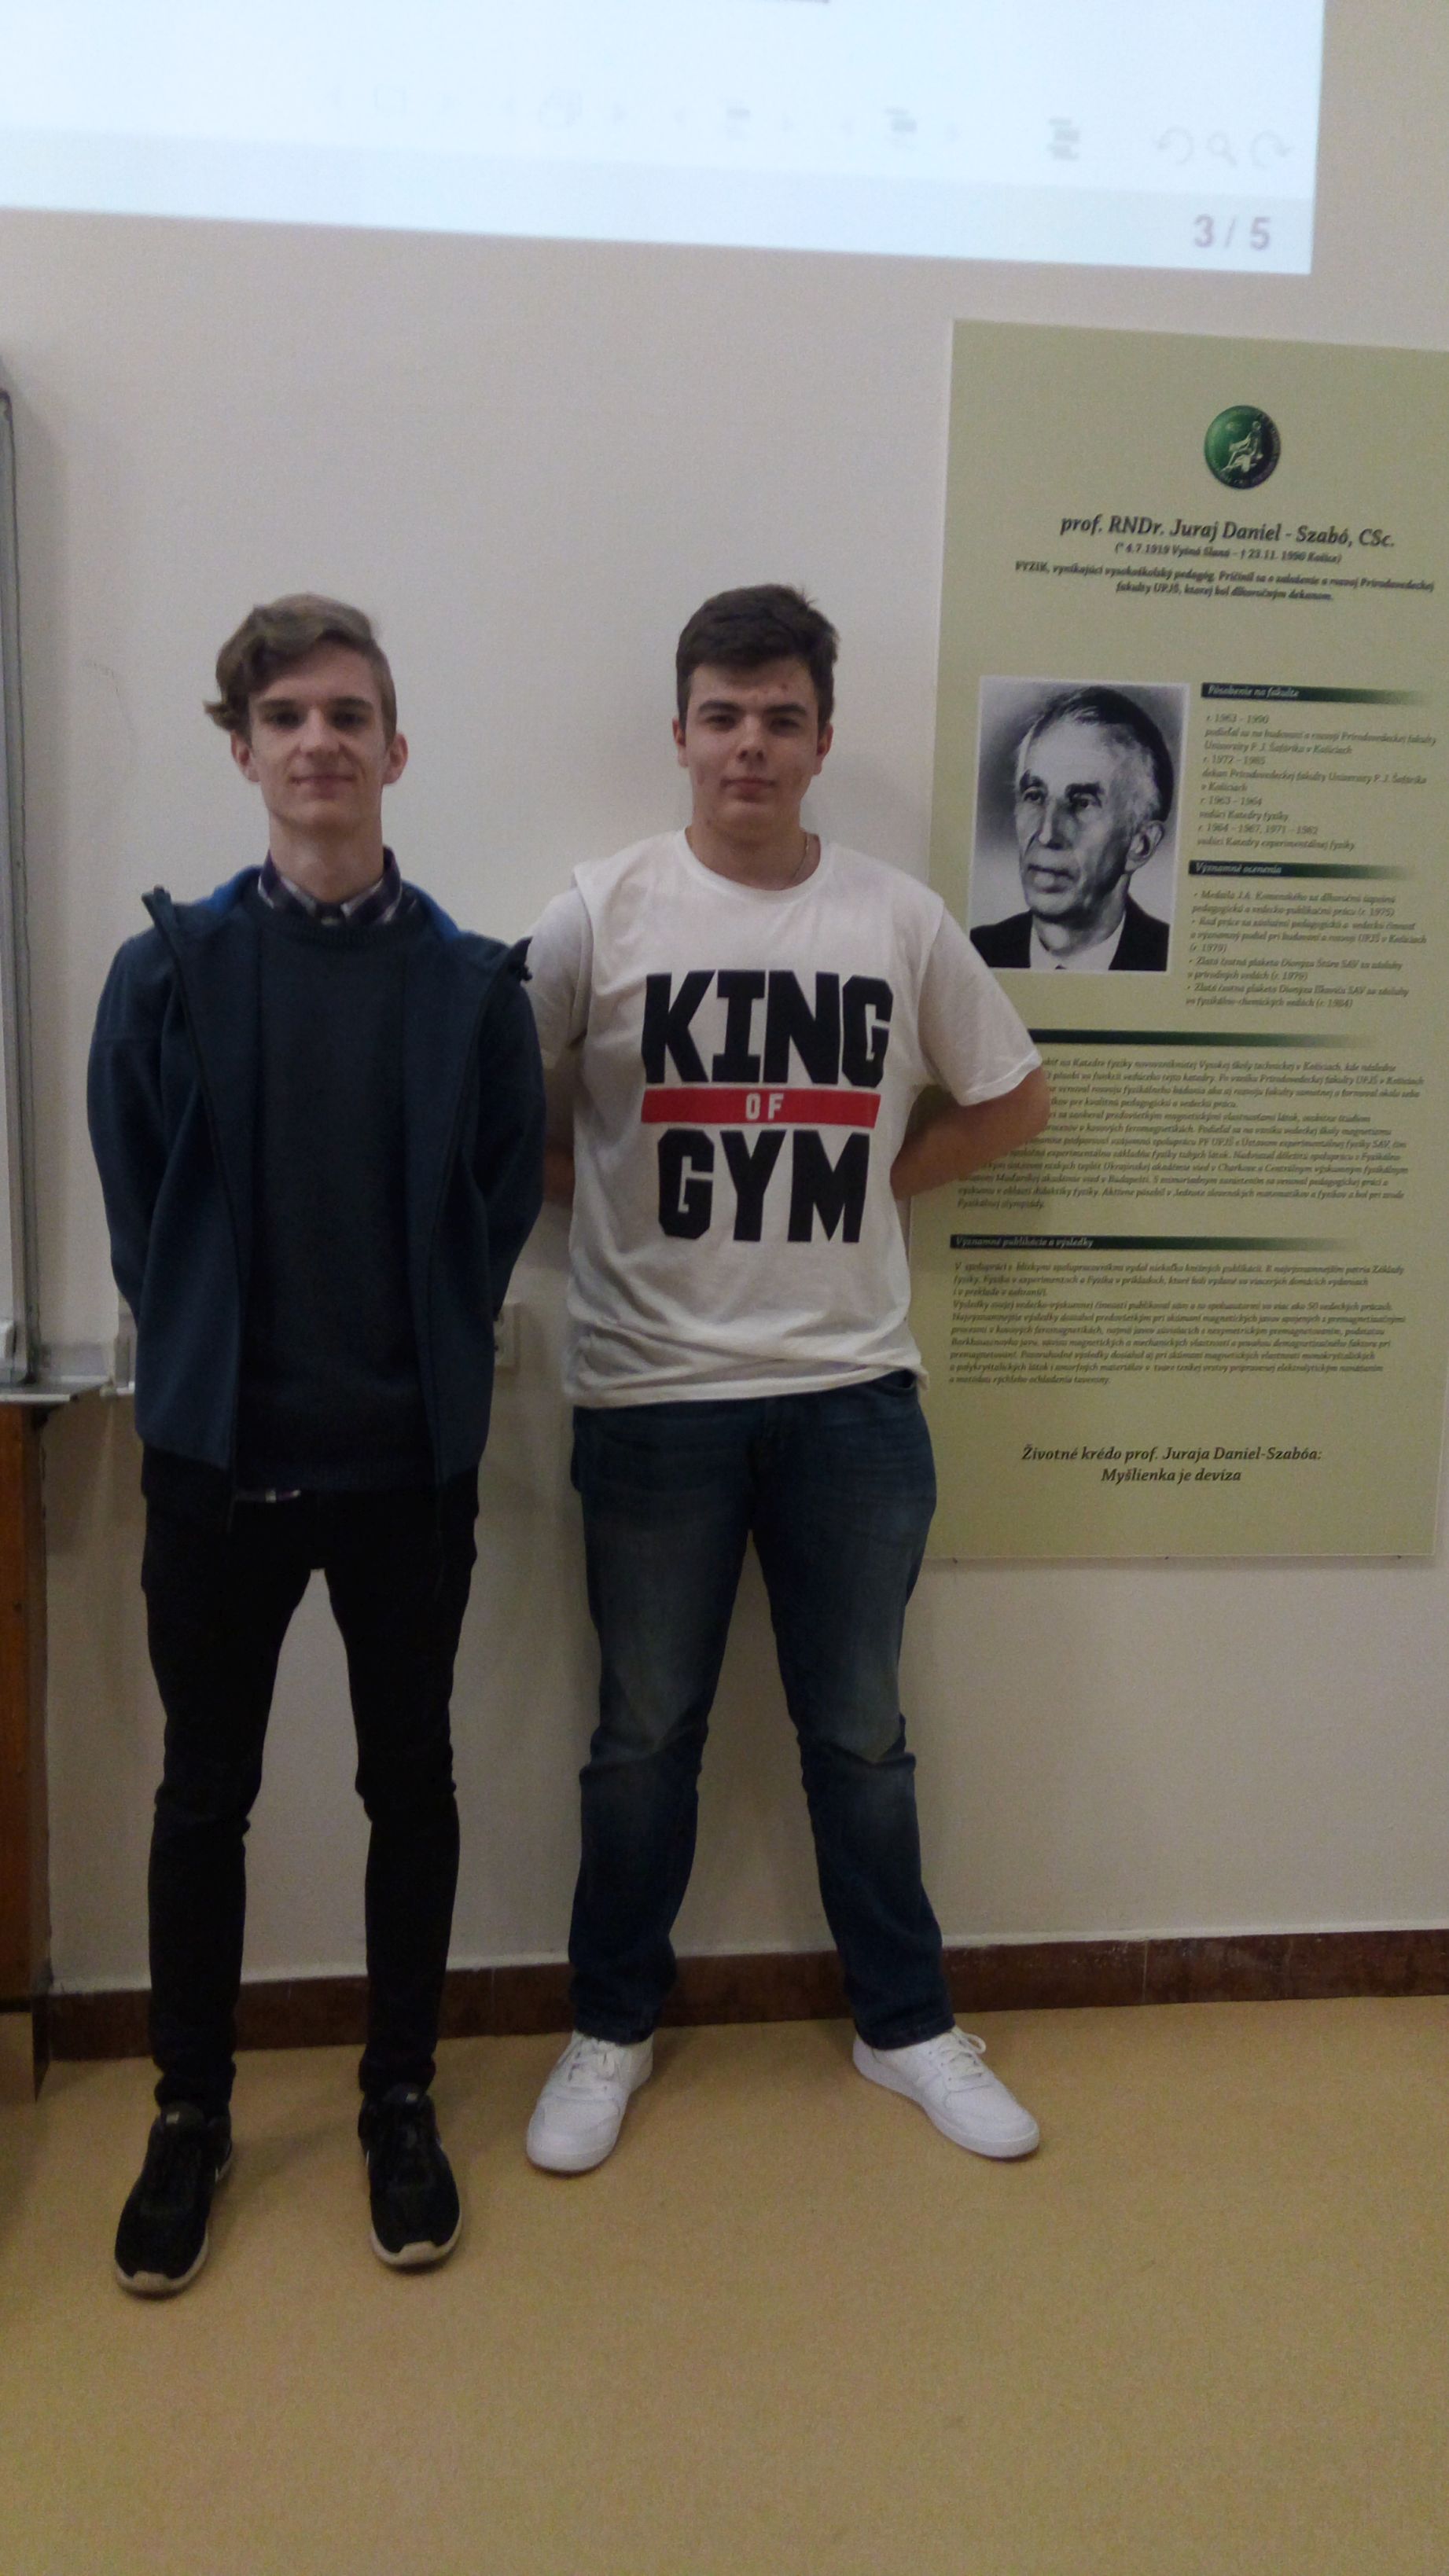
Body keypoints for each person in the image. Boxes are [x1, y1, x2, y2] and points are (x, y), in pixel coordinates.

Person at [523, 584, 1049, 2176]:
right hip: (651, 1401)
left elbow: (1012, 1098)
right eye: (722, 716)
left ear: (823, 738)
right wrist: (604, 1197)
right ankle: (610, 2027)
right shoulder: (597, 912)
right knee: (641, 1739)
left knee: (861, 1735)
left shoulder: (896, 919)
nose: (748, 744)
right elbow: (485, 1109)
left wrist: (875, 1179)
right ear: (680, 733)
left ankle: (905, 2023)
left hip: (849, 1400)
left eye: (780, 718)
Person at [88, 595, 543, 2292]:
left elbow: (497, 1204)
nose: (319, 742)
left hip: (404, 1473)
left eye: (348, 713)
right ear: (244, 754)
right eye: (285, 717)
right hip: (220, 1471)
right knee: (202, 1795)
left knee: (407, 1783)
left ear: (394, 748)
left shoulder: (470, 987)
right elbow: (141, 1211)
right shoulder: (167, 974)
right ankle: (190, 2114)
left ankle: (397, 2098)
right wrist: (212, 1361)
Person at [972, 685, 1174, 972]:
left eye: (1082, 803)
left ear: (1140, 845)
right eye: (1035, 796)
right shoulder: (974, 952)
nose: (1047, 834)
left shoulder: (1169, 959)